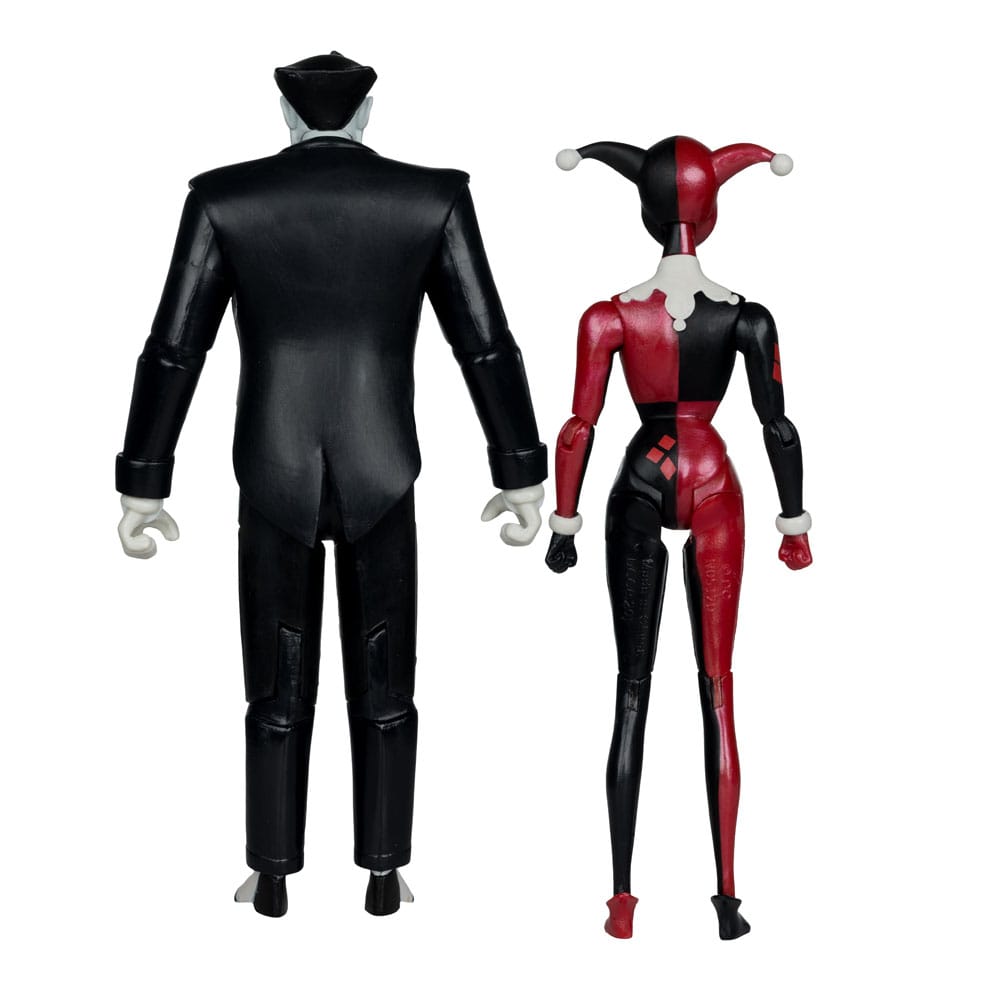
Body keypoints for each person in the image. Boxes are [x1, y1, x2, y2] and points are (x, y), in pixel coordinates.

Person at [116, 52, 547, 919]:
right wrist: (519, 471)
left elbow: (175, 346)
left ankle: (271, 873)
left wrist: (144, 480)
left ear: (284, 114)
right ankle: (385, 874)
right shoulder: (431, 198)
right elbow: (484, 341)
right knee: (387, 679)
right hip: (385, 466)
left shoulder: (224, 199)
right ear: (368, 113)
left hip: (269, 467)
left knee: (274, 681)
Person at [545, 135, 811, 940]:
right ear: (713, 210)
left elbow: (579, 426)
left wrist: (565, 521)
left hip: (639, 474)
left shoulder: (610, 315)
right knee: (717, 689)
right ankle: (727, 899)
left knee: (631, 690)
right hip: (712, 476)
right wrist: (793, 522)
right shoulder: (746, 316)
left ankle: (622, 901)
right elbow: (777, 426)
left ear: (645, 211)